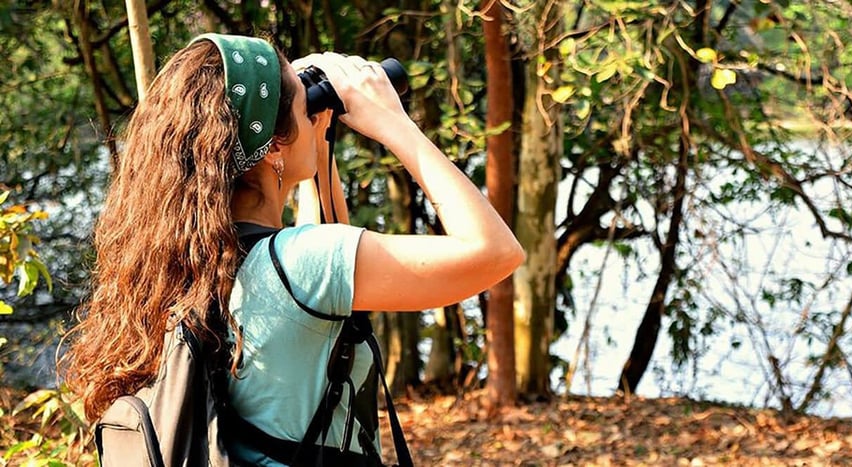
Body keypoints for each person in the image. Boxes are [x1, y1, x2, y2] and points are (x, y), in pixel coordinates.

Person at [60, 33, 524, 465]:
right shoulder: (300, 264)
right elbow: (495, 252)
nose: (314, 115)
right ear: (273, 146)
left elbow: (331, 310)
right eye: (304, 109)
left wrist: (316, 146)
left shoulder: (190, 263)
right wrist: (393, 123)